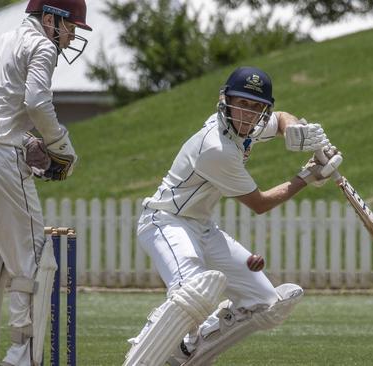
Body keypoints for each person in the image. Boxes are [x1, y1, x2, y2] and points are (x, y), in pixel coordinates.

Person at [123, 66, 343, 366]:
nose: (247, 114)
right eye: (241, 104)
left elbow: (280, 119)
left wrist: (293, 129)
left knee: (264, 302)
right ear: (225, 101)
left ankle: (193, 349)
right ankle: (147, 350)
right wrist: (307, 176)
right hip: (165, 221)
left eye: (256, 107)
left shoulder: (248, 125)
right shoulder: (216, 147)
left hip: (201, 226)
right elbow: (259, 203)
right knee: (193, 292)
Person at [0, 1, 91, 365]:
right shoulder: (41, 45)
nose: (71, 37)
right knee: (33, 262)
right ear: (48, 18)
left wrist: (27, 142)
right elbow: (38, 102)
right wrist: (61, 147)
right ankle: (21, 355)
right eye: (70, 26)